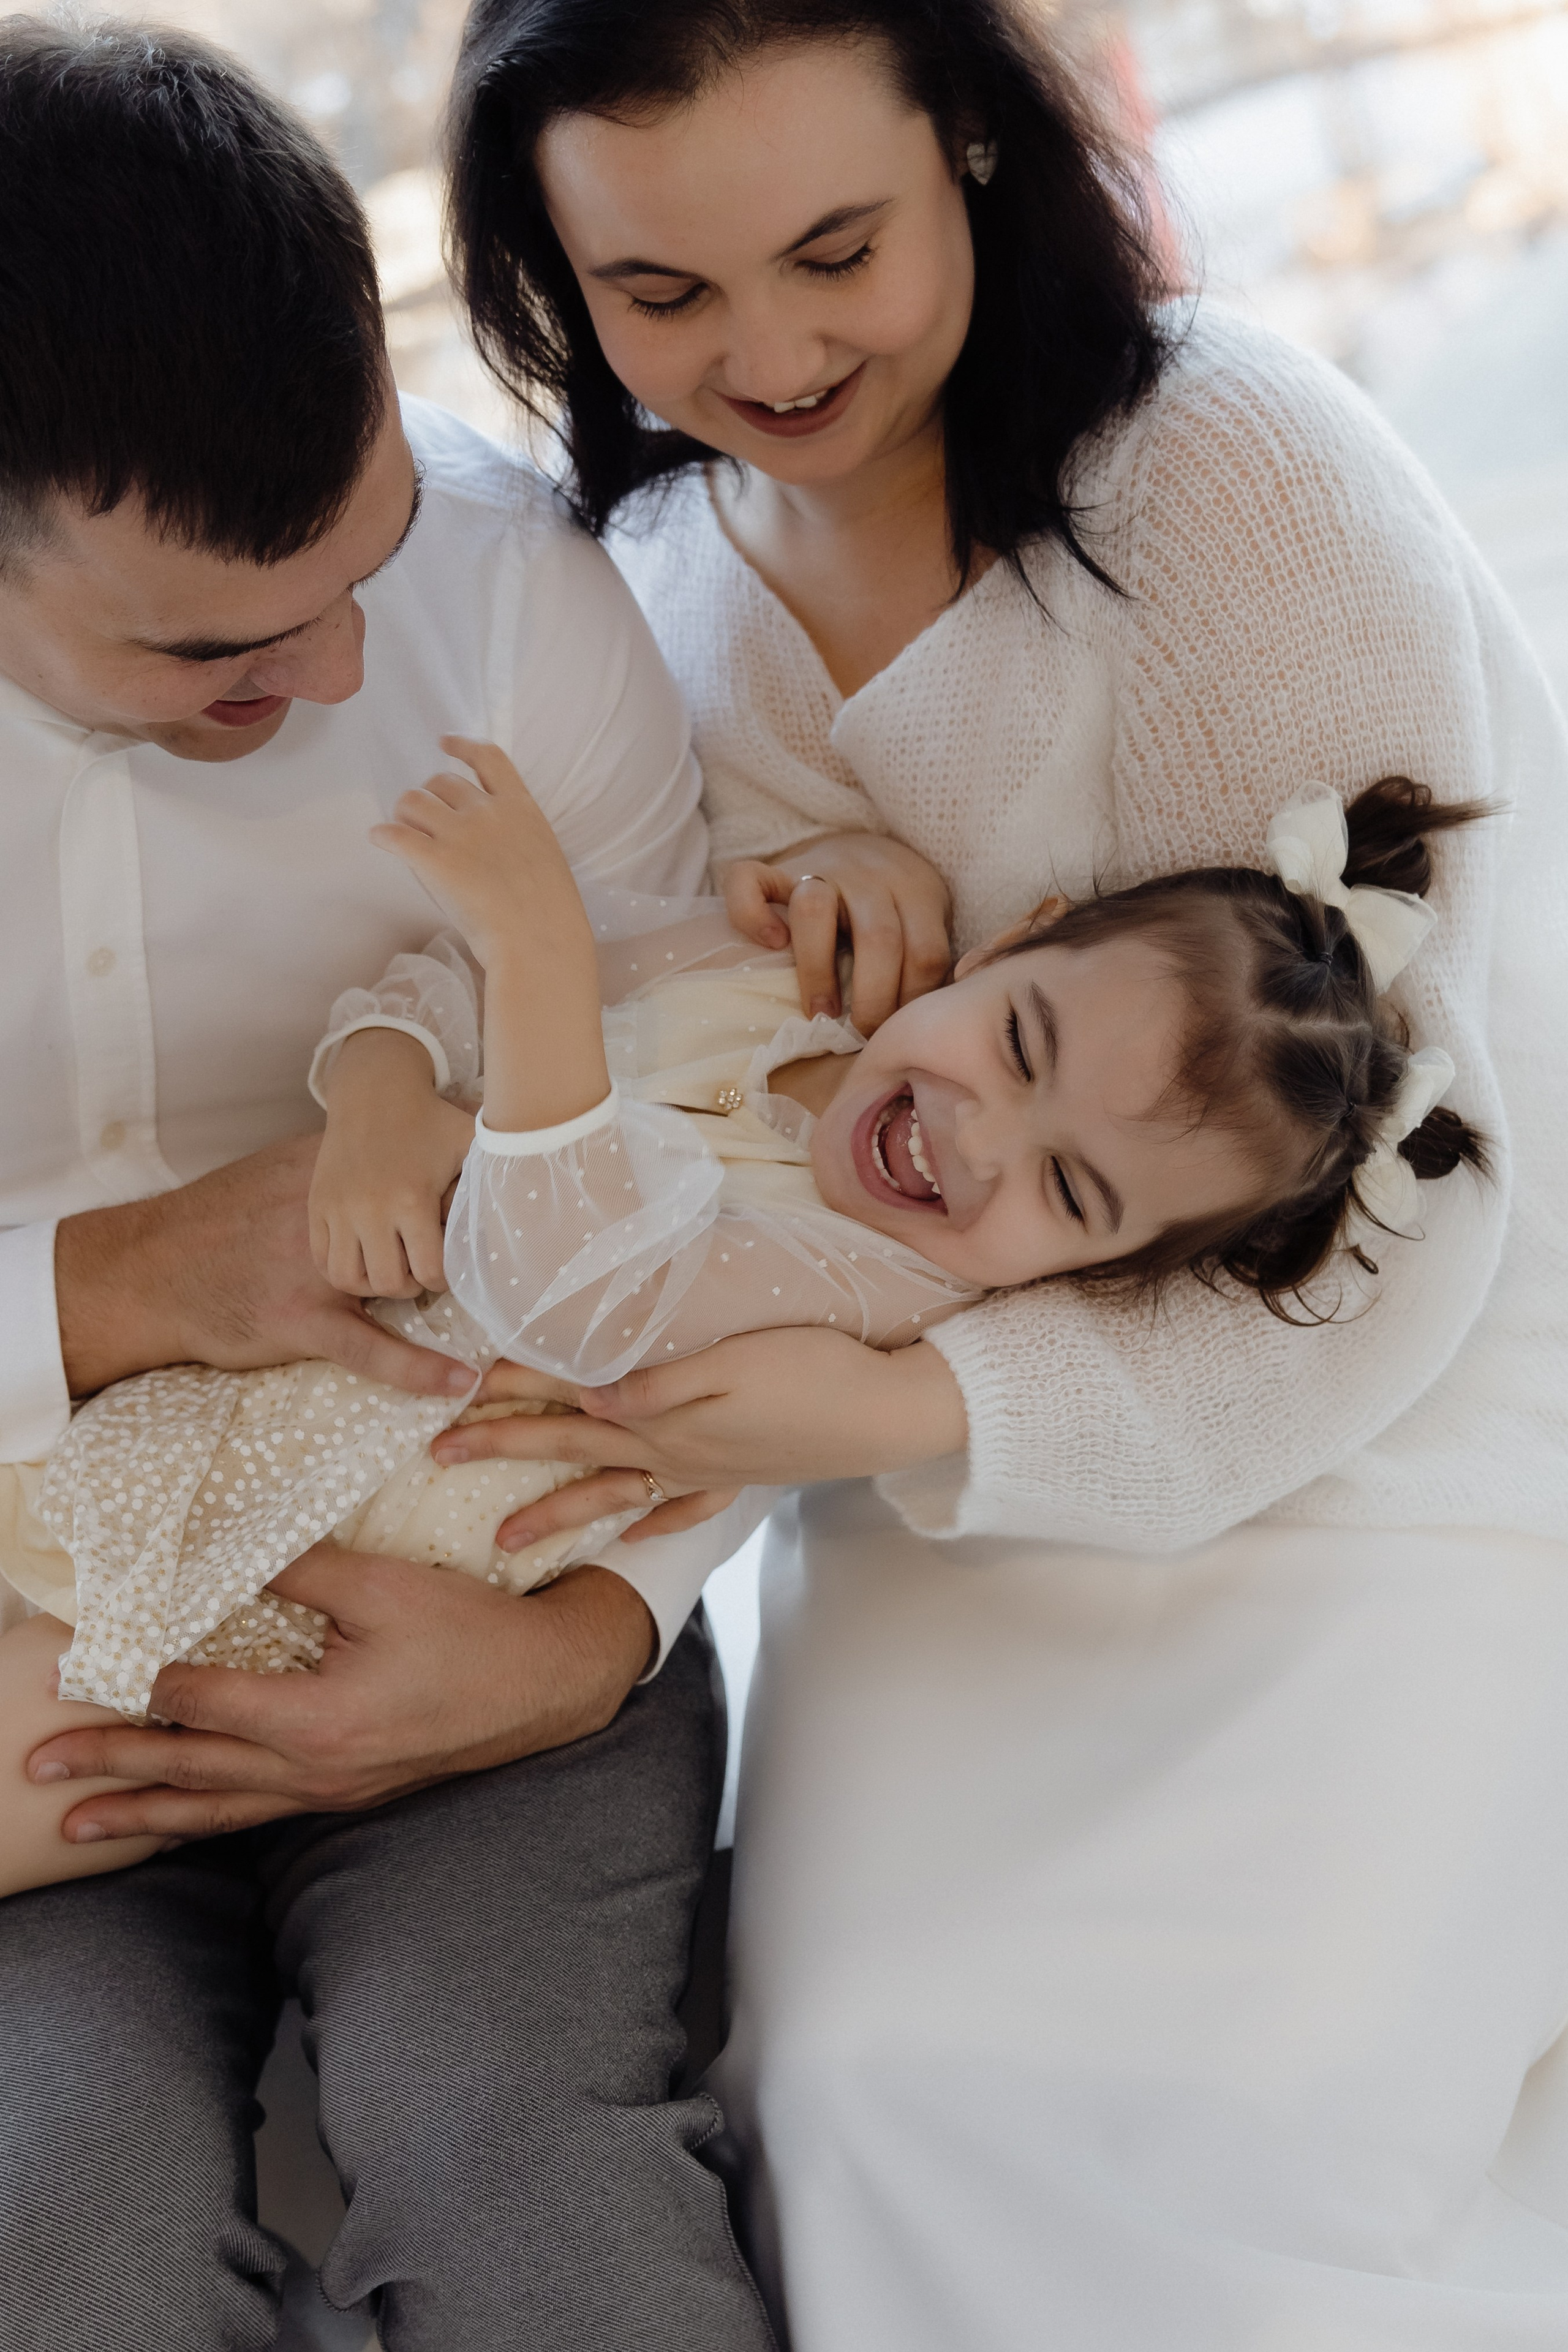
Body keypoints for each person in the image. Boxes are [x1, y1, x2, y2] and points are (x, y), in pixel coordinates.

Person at [426, 1, 1568, 2345]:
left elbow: (1403, 1164)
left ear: (966, 141)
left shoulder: (1227, 463)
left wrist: (911, 1417)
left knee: (1236, 2107)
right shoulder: (636, 590)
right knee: (864, 2083)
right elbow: (699, 1093)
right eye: (659, 298)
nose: (766, 349)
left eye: (834, 248)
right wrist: (786, 912)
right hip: (947, 1489)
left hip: (1387, 1372)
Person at [0, 20, 778, 2351]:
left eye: (365, 566)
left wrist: (585, 1634)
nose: (342, 673)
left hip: (498, 1564)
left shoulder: (529, 595)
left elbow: (715, 1148)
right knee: (60, 2243)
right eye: (225, 648)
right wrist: (127, 1284)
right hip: (35, 1628)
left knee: (529, 2187)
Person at [6, 753, 1485, 1880]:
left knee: (51, 1757)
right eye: (1019, 1042)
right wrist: (383, 1085)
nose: (976, 1143)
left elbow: (578, 1292)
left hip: (301, 1580)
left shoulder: (875, 1299)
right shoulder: (751, 979)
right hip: (168, 1389)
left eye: (1069, 1191)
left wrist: (535, 949)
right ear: (1007, 940)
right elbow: (442, 991)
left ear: (1089, 1274)